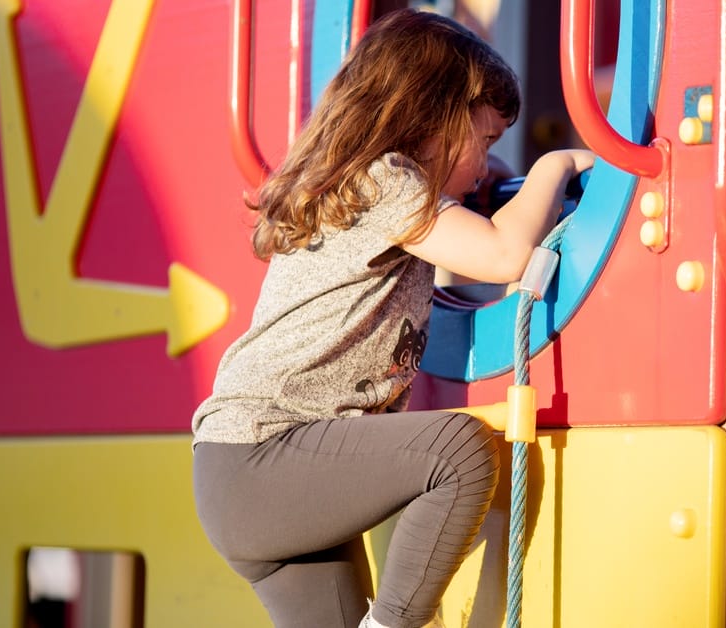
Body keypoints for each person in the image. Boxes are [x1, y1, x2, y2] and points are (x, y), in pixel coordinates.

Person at [190, 8, 595, 628]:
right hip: (266, 456)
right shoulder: (385, 181)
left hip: (248, 474)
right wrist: (553, 168)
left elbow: (476, 229)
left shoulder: (371, 186)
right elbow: (502, 254)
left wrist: (477, 194)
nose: (489, 164)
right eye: (484, 142)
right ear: (427, 120)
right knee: (458, 452)